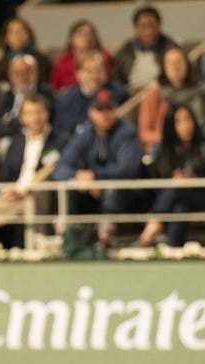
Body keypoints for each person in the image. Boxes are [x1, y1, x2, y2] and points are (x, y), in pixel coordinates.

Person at [0, 94, 68, 247]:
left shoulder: (60, 141)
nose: (35, 117)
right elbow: (5, 174)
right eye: (30, 113)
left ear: (47, 114)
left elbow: (54, 171)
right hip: (12, 194)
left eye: (39, 112)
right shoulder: (15, 143)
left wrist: (26, 191)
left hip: (38, 193)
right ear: (22, 118)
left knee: (37, 199)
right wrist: (6, 191)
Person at [51, 89, 143, 248]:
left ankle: (104, 237)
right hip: (90, 192)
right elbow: (60, 167)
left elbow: (128, 169)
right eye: (100, 110)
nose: (105, 114)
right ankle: (68, 234)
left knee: (113, 188)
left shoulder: (126, 131)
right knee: (69, 187)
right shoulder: (86, 131)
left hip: (128, 194)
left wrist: (96, 177)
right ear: (91, 112)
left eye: (109, 109)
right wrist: (79, 178)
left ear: (115, 110)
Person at [139, 105, 205, 247]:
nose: (185, 126)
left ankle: (150, 229)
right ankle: (173, 248)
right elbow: (160, 181)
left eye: (188, 119)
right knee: (180, 208)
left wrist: (193, 180)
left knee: (177, 187)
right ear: (171, 125)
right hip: (177, 200)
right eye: (179, 121)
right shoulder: (165, 150)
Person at [136, 46, 205, 157]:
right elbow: (144, 133)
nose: (175, 67)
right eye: (170, 63)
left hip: (198, 145)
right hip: (165, 148)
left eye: (179, 62)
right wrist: (172, 137)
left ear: (187, 64)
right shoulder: (153, 95)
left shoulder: (203, 93)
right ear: (163, 67)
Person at [53, 51, 128, 138]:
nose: (94, 76)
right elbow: (60, 131)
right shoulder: (65, 99)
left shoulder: (120, 95)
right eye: (89, 71)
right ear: (78, 74)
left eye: (99, 70)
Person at [112, 5, 181, 94]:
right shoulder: (126, 50)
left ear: (159, 25)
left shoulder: (171, 48)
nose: (148, 31)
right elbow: (117, 81)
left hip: (163, 95)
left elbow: (178, 79)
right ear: (136, 28)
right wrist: (128, 90)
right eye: (143, 26)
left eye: (152, 25)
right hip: (131, 98)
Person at [0, 54, 56, 139]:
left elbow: (48, 121)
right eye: (17, 73)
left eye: (26, 72)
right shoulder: (5, 96)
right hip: (6, 138)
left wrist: (10, 123)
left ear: (36, 73)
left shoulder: (46, 94)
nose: (22, 77)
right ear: (10, 75)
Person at [0, 17, 53, 99]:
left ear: (29, 34)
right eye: (12, 32)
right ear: (5, 38)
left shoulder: (41, 60)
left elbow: (48, 85)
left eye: (21, 31)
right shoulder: (2, 64)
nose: (17, 35)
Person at [49, 20, 114, 92]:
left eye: (90, 34)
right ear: (71, 38)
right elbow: (54, 88)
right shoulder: (62, 63)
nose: (86, 38)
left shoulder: (106, 58)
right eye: (81, 34)